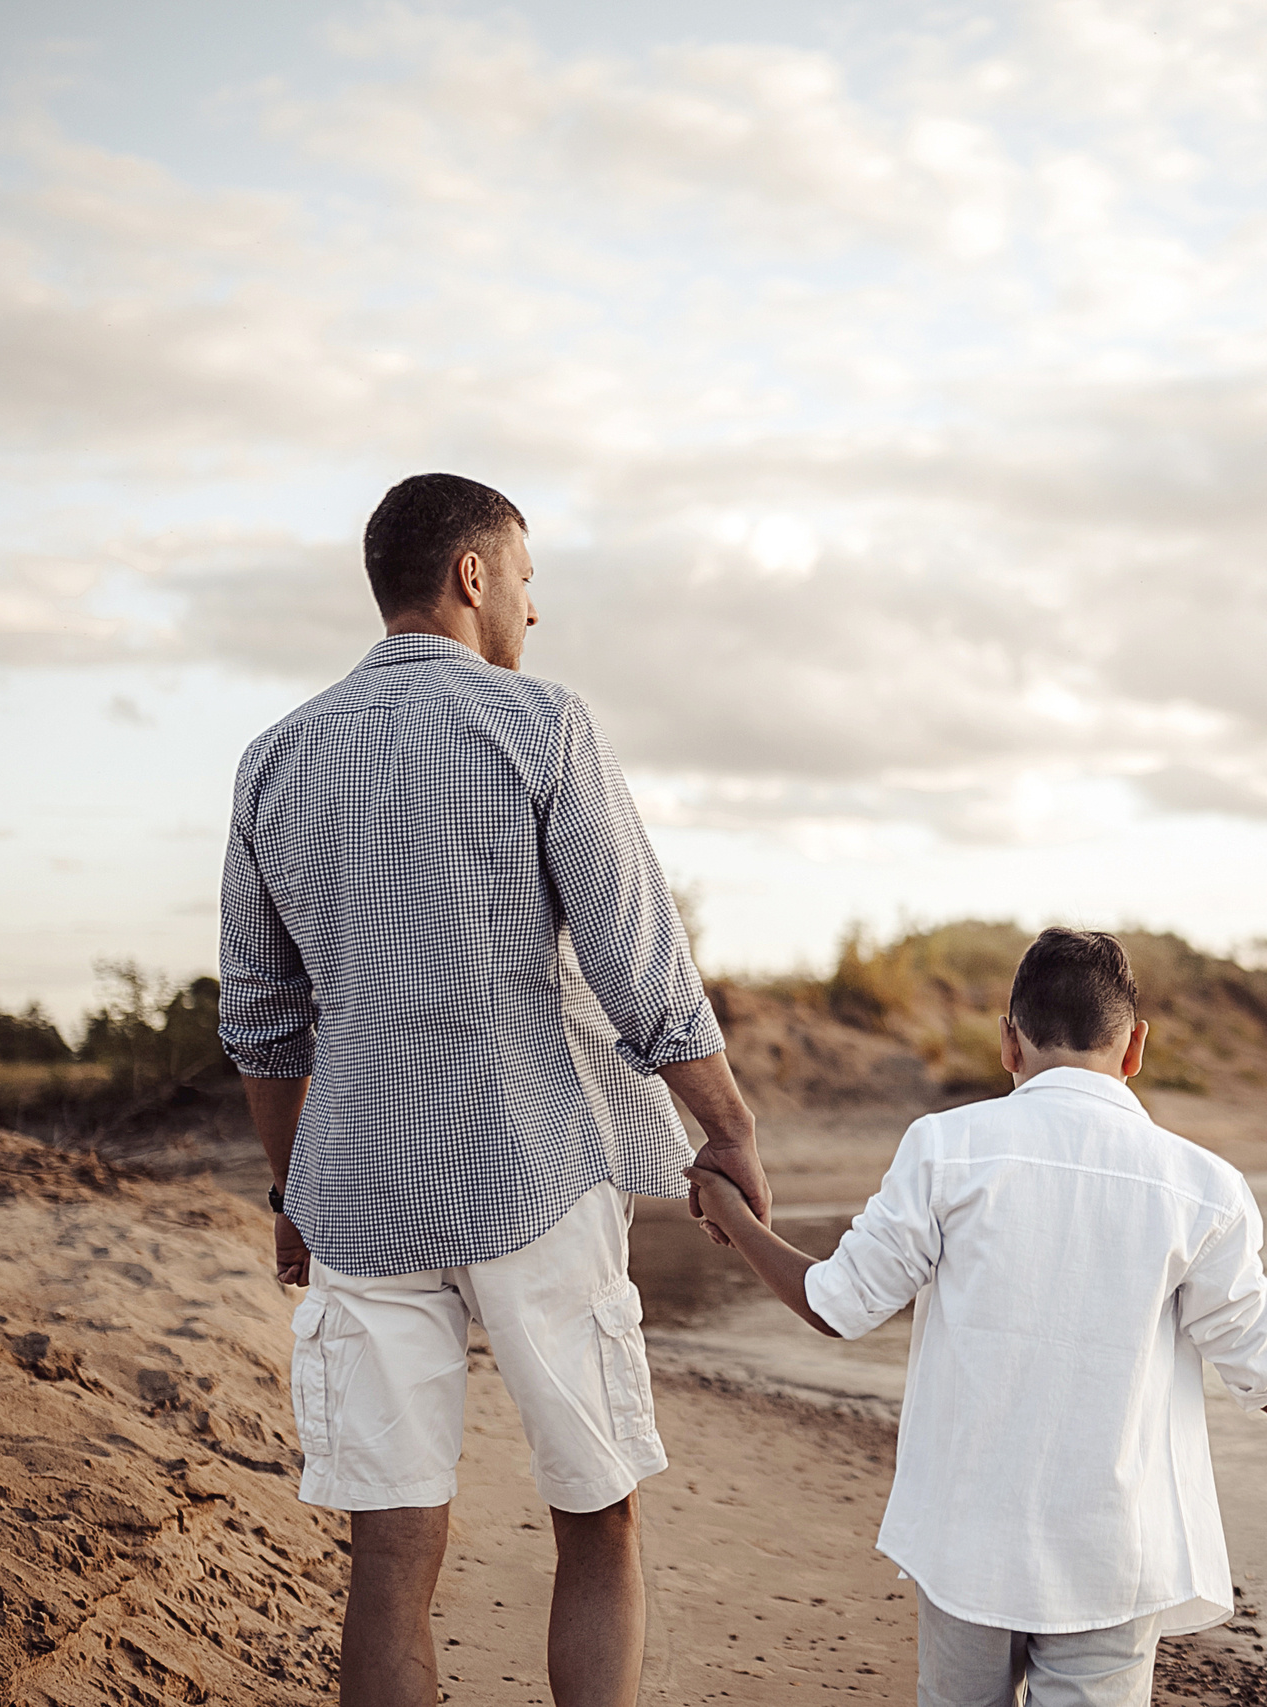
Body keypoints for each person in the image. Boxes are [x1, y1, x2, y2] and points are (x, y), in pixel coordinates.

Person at [217, 472, 772, 1707]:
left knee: (389, 1557)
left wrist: (293, 1191)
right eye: (525, 576)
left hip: (356, 1191)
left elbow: (261, 1021)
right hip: (536, 1169)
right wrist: (728, 1125)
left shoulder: (274, 759)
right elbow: (640, 964)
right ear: (473, 576)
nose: (532, 605)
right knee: (597, 1514)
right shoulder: (542, 723)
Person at [688, 927, 1267, 1707]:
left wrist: (736, 1217)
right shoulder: (1201, 1185)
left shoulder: (946, 1148)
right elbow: (1253, 1344)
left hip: (967, 1536)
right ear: (1135, 1047)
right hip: (1113, 1548)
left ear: (1008, 1041)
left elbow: (839, 1303)